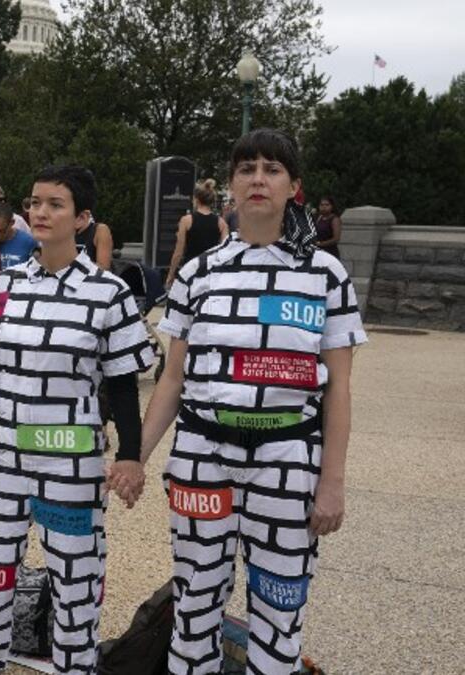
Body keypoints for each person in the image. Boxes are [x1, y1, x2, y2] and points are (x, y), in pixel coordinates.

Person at [137, 129, 367, 674]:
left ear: (294, 188)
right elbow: (172, 379)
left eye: (272, 169)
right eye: (247, 169)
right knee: (195, 597)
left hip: (287, 460)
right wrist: (136, 456)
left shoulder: (325, 275)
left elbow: (339, 391)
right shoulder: (200, 272)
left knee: (280, 605)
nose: (258, 178)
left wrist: (331, 483)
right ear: (231, 189)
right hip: (202, 455)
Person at [0, 165, 155, 675]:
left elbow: (120, 386)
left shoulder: (108, 293)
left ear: (82, 218)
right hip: (0, 455)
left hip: (70, 460)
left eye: (55, 204)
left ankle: (75, 665)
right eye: (35, 202)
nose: (40, 212)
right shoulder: (7, 285)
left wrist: (128, 456)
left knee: (74, 572)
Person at [165, 179, 229, 288]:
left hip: (190, 270)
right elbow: (225, 252)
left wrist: (170, 275)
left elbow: (178, 252)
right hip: (210, 272)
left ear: (197, 200)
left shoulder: (186, 220)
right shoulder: (221, 223)